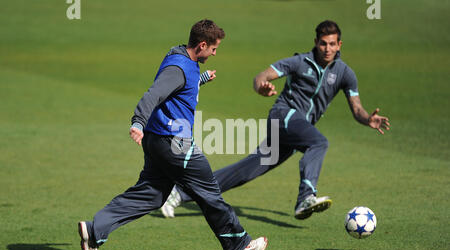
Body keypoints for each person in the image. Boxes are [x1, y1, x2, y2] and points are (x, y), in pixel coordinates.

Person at [78, 19, 268, 250]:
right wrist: (137, 122)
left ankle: (94, 230)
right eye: (213, 48)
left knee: (151, 194)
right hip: (175, 144)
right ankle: (237, 246)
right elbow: (155, 93)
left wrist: (201, 80)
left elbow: (179, 87)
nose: (214, 53)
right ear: (202, 44)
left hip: (157, 142)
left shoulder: (181, 57)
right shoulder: (178, 68)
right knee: (209, 192)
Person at [161, 20, 390, 220]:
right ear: (316, 42)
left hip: (295, 132)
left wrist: (368, 119)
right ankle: (306, 195)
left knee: (245, 172)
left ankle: (180, 193)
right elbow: (261, 76)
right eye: (323, 43)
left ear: (339, 45)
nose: (327, 48)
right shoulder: (299, 62)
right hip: (283, 116)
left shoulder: (344, 73)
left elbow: (357, 109)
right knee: (318, 142)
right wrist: (261, 86)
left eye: (332, 44)